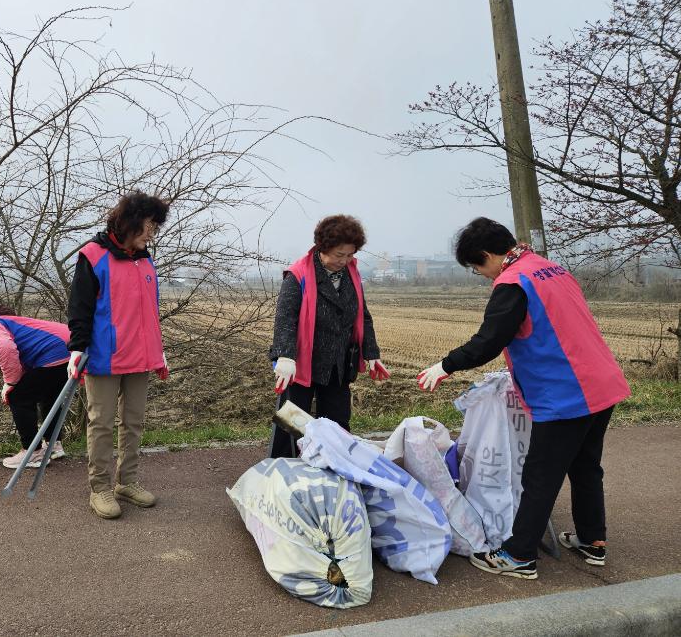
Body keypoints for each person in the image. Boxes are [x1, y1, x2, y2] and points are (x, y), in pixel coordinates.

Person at [417, 217, 630, 580]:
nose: (481, 275)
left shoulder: (513, 283)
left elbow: (490, 339)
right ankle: (593, 541)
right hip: (602, 382)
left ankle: (519, 556)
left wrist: (446, 365)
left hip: (565, 393)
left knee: (540, 475)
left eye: (477, 267)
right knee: (585, 467)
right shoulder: (550, 268)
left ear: (487, 255)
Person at [67, 191, 171, 520]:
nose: (152, 232)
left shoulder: (144, 258)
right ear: (130, 223)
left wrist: (159, 350)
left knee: (134, 422)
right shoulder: (93, 256)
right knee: (100, 423)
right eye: (149, 225)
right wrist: (77, 348)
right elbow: (79, 309)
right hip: (104, 357)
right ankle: (99, 488)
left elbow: (149, 312)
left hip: (141, 356)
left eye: (155, 226)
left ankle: (127, 481)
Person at [268, 215, 390, 457]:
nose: (344, 261)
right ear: (323, 248)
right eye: (338, 255)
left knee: (337, 425)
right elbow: (285, 318)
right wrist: (285, 356)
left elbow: (362, 315)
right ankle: (282, 475)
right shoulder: (298, 274)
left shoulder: (352, 275)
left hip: (338, 364)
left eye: (349, 255)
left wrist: (371, 353)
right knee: (292, 424)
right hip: (301, 363)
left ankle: (334, 475)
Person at [0, 306, 73, 468]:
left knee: (17, 396)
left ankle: (32, 452)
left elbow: (4, 348)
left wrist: (11, 383)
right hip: (72, 350)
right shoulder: (7, 321)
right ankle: (53, 444)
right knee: (49, 396)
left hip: (55, 354)